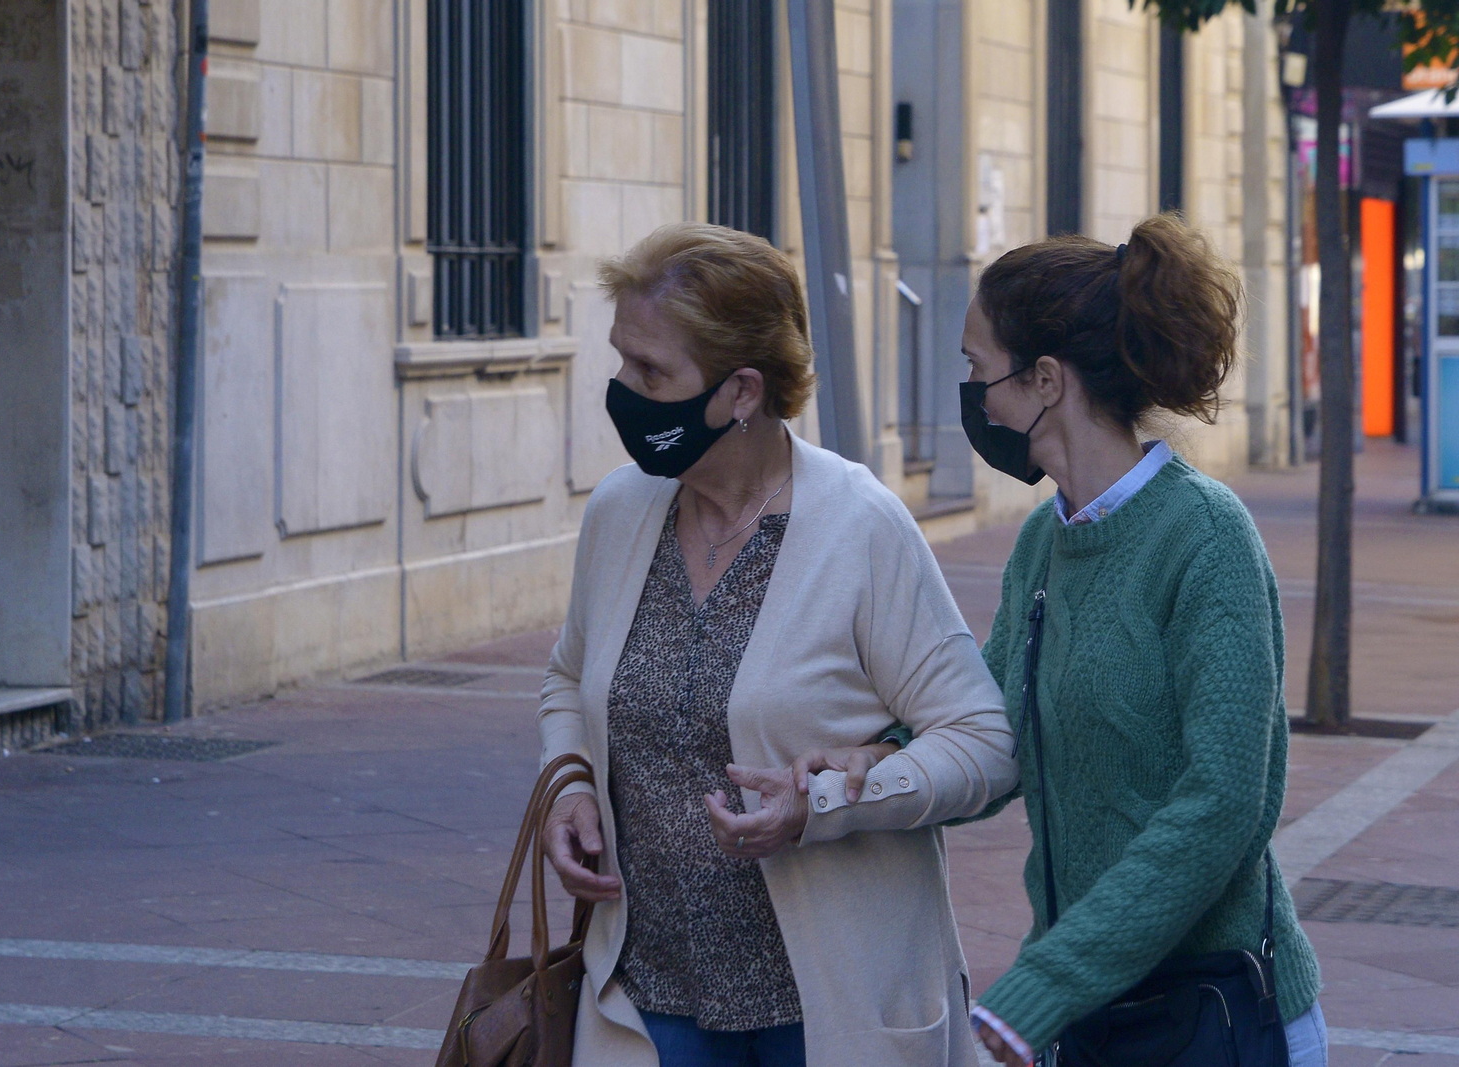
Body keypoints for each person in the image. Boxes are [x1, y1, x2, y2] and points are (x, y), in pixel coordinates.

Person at [537, 222, 1020, 1067]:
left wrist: (832, 802)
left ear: (742, 390)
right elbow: (568, 678)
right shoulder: (621, 511)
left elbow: (983, 742)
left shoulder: (860, 526)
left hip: (829, 1008)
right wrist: (570, 785)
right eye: (620, 360)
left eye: (650, 370)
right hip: (650, 1000)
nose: (623, 389)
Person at [954, 214, 1327, 1067]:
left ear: (1045, 379)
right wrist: (871, 759)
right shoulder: (1042, 542)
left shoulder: (1205, 536)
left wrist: (1039, 988)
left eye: (978, 370)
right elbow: (990, 726)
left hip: (1214, 1015)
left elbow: (1224, 800)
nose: (974, 398)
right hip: (1087, 1019)